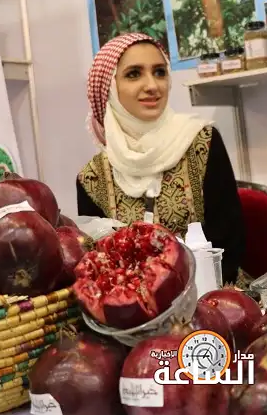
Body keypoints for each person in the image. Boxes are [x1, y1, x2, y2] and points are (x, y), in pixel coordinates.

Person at [76, 33, 246, 285]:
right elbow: (98, 266)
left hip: (212, 294)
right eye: (134, 74)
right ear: (108, 88)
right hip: (132, 304)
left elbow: (229, 245)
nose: (152, 85)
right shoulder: (92, 177)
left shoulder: (202, 142)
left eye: (159, 72)